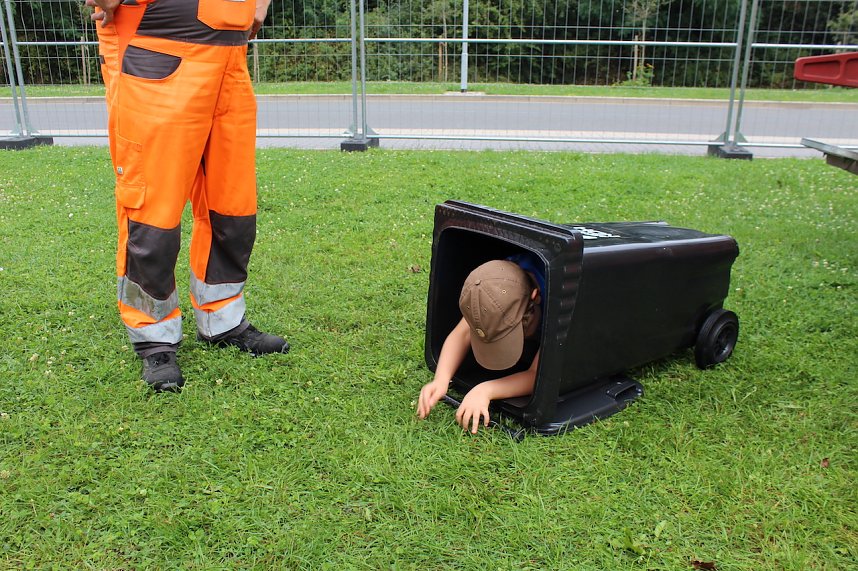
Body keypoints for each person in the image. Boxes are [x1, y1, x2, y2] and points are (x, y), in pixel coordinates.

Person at [88, 0, 288, 393]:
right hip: (156, 45)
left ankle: (222, 320)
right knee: (152, 212)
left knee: (231, 207)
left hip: (230, 57)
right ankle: (154, 337)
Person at [417, 255, 545, 433]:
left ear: (535, 297)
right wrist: (441, 379)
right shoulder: (492, 288)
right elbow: (462, 333)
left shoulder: (560, 301)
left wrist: (486, 390)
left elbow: (538, 375)